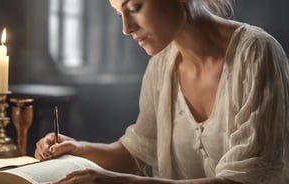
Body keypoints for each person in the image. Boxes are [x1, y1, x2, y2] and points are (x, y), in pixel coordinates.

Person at [35, 0, 289, 183]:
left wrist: (124, 183)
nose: (126, 28)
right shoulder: (161, 64)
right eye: (118, 13)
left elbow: (246, 180)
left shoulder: (256, 53)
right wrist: (78, 148)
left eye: (134, 7)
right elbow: (138, 153)